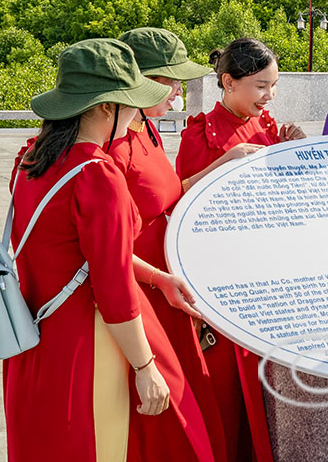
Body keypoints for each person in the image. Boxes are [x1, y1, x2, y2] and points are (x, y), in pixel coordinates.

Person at [3, 39, 218, 462]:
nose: (137, 112)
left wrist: (157, 277)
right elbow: (112, 289)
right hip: (87, 343)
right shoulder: (97, 174)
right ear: (106, 107)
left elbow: (84, 254)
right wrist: (145, 367)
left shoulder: (31, 158)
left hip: (32, 336)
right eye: (131, 101)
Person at [176, 37, 305, 462]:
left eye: (274, 86)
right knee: (229, 397)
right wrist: (226, 161)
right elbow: (181, 212)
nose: (270, 96)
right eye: (261, 86)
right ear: (229, 82)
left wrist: (295, 151)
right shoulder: (201, 132)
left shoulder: (267, 125)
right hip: (221, 281)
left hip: (267, 274)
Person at [115, 27, 228, 461]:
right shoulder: (111, 144)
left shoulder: (147, 128)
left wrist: (222, 165)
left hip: (167, 282)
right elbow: (103, 247)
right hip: (140, 290)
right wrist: (157, 279)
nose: (178, 90)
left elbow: (165, 193)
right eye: (169, 79)